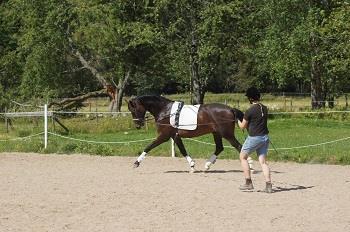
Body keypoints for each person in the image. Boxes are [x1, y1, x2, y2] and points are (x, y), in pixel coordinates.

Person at [237, 87, 272, 193]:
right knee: (263, 162)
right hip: (265, 137)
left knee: (242, 157)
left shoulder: (249, 110)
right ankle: (268, 185)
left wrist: (237, 119)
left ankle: (248, 183)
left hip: (254, 137)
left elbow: (242, 126)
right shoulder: (264, 108)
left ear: (250, 98)